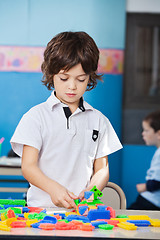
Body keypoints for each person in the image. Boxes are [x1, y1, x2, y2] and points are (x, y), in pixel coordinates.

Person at [10, 31, 122, 209]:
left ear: (90, 77)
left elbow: (102, 169)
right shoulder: (35, 117)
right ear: (51, 74)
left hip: (82, 214)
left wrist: (92, 192)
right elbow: (28, 166)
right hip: (40, 212)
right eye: (64, 78)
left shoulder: (98, 120)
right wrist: (53, 189)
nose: (72, 86)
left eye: (81, 79)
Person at [129, 110, 160, 210]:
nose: (143, 134)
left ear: (158, 133)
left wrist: (145, 187)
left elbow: (157, 182)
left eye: (146, 130)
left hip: (150, 202)